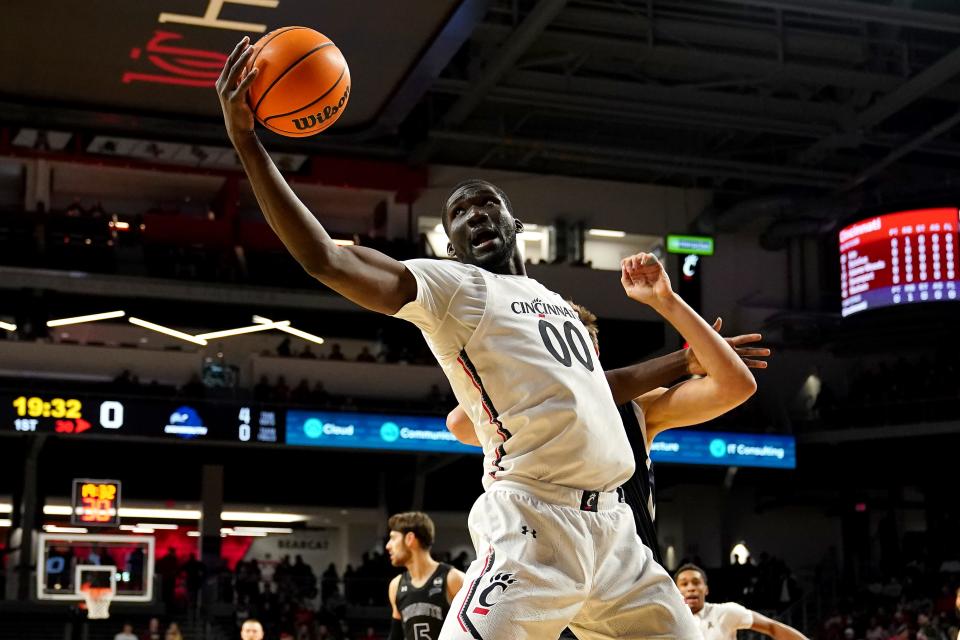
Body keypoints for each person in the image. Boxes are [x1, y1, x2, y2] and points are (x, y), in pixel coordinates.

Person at [218, 40, 755, 638]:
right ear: (450, 248)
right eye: (459, 214)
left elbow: (598, 390)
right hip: (533, 525)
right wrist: (247, 141)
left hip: (618, 536)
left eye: (485, 204)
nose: (475, 214)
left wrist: (683, 359)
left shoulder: (559, 306)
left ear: (513, 223)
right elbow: (324, 259)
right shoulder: (457, 289)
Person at [447, 305, 769, 564]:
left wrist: (667, 302)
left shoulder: (638, 408)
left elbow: (736, 386)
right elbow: (459, 423)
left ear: (593, 353)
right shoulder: (523, 412)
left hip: (629, 577)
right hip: (551, 583)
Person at [386, 512, 465, 640]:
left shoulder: (453, 579)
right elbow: (395, 636)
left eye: (393, 538)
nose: (388, 545)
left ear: (409, 538)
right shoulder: (396, 585)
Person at [674, 564, 807, 640]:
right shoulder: (669, 619)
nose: (691, 588)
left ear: (706, 589)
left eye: (696, 583)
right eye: (684, 584)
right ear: (675, 591)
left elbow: (772, 627)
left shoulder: (725, 611)